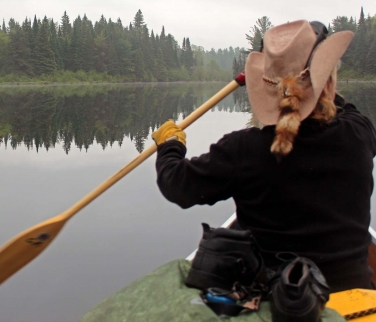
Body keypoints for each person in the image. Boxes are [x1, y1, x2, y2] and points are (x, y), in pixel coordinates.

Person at [152, 20, 375, 293]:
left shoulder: (243, 151)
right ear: (327, 82)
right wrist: (315, 81)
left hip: (277, 300)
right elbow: (344, 108)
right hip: (354, 295)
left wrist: (170, 145)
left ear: (267, 90)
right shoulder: (358, 135)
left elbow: (177, 184)